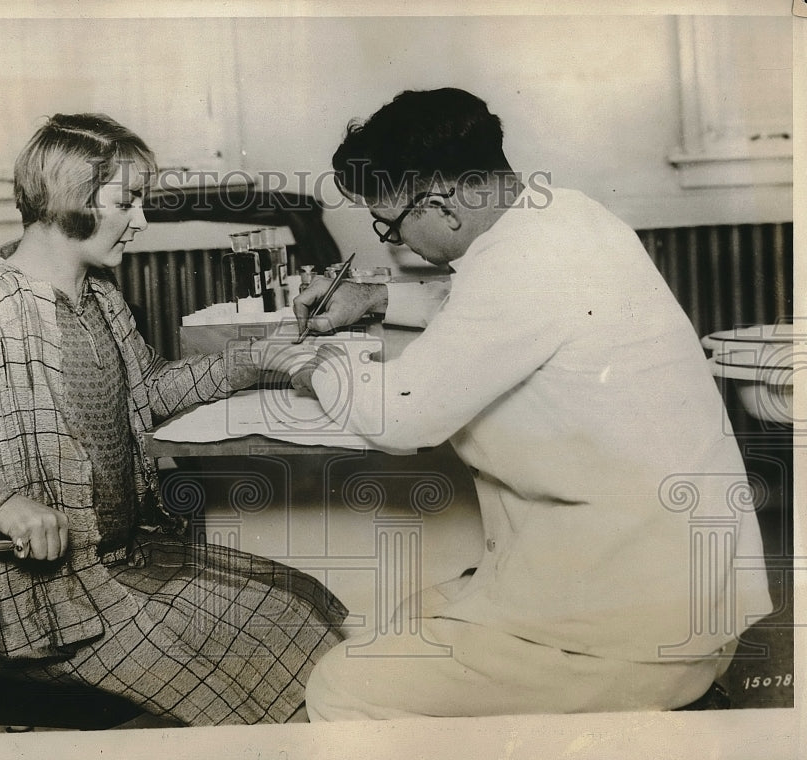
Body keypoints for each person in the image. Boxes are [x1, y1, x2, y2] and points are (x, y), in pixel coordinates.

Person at [0, 113, 347, 727]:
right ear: (70, 197)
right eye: (126, 202)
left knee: (302, 606)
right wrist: (0, 504)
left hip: (120, 567)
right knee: (278, 647)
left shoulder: (98, 294)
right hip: (38, 613)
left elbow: (148, 392)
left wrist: (254, 362)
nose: (142, 221)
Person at [284, 88, 773, 720]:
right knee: (402, 617)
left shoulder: (521, 264)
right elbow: (478, 309)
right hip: (666, 588)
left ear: (441, 205)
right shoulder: (564, 217)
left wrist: (312, 363)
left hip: (637, 634)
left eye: (392, 226)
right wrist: (373, 301)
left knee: (341, 686)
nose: (394, 242)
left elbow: (400, 416)